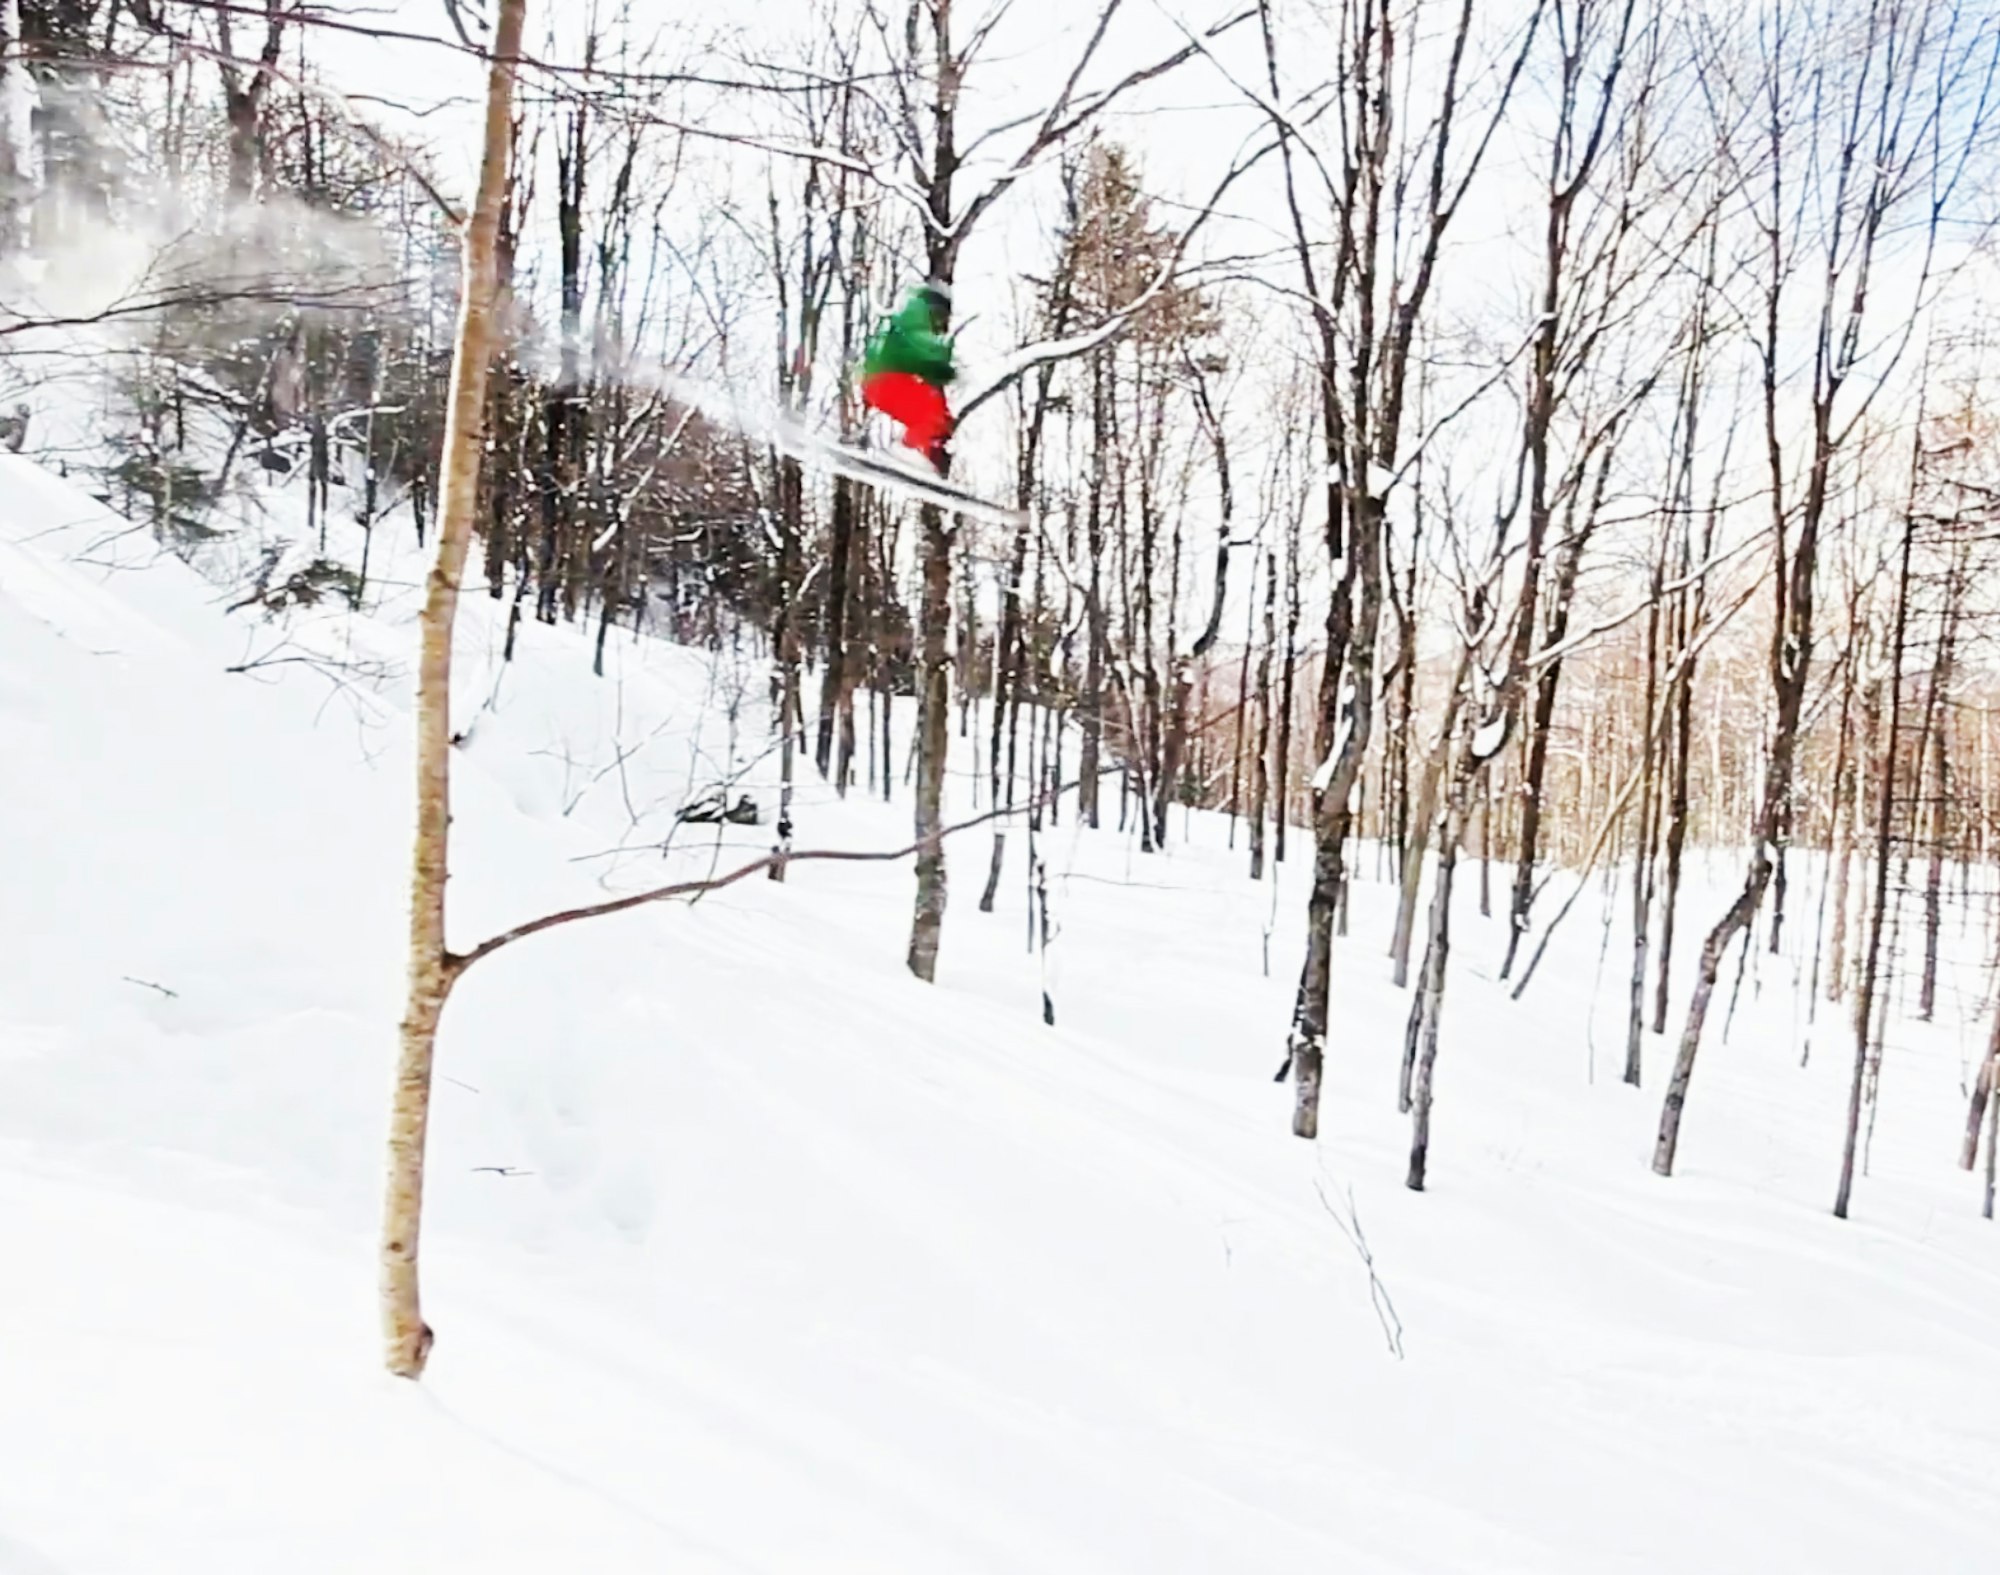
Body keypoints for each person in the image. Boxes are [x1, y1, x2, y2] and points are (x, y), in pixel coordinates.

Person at [859, 282, 956, 469]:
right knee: (933, 411)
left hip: (882, 383)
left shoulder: (906, 320)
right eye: (941, 316)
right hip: (888, 380)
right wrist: (945, 370)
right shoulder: (915, 322)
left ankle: (929, 451)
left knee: (937, 416)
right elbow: (921, 356)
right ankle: (908, 450)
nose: (941, 323)